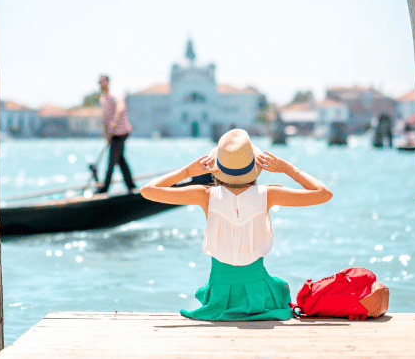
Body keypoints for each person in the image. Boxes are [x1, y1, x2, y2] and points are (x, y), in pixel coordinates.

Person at [140, 128, 332, 321]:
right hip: (259, 296)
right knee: (281, 288)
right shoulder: (269, 194)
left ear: (219, 168)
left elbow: (148, 191)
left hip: (220, 297)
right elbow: (324, 193)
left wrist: (187, 171)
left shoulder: (205, 195)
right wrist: (288, 169)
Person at [96, 74, 137, 194]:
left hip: (121, 132)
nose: (101, 84)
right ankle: (131, 186)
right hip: (112, 135)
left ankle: (105, 188)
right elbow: (104, 118)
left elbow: (120, 108)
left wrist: (115, 122)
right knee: (120, 159)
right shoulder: (103, 99)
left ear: (108, 82)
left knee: (112, 160)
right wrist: (106, 134)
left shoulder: (115, 95)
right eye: (100, 82)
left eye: (103, 81)